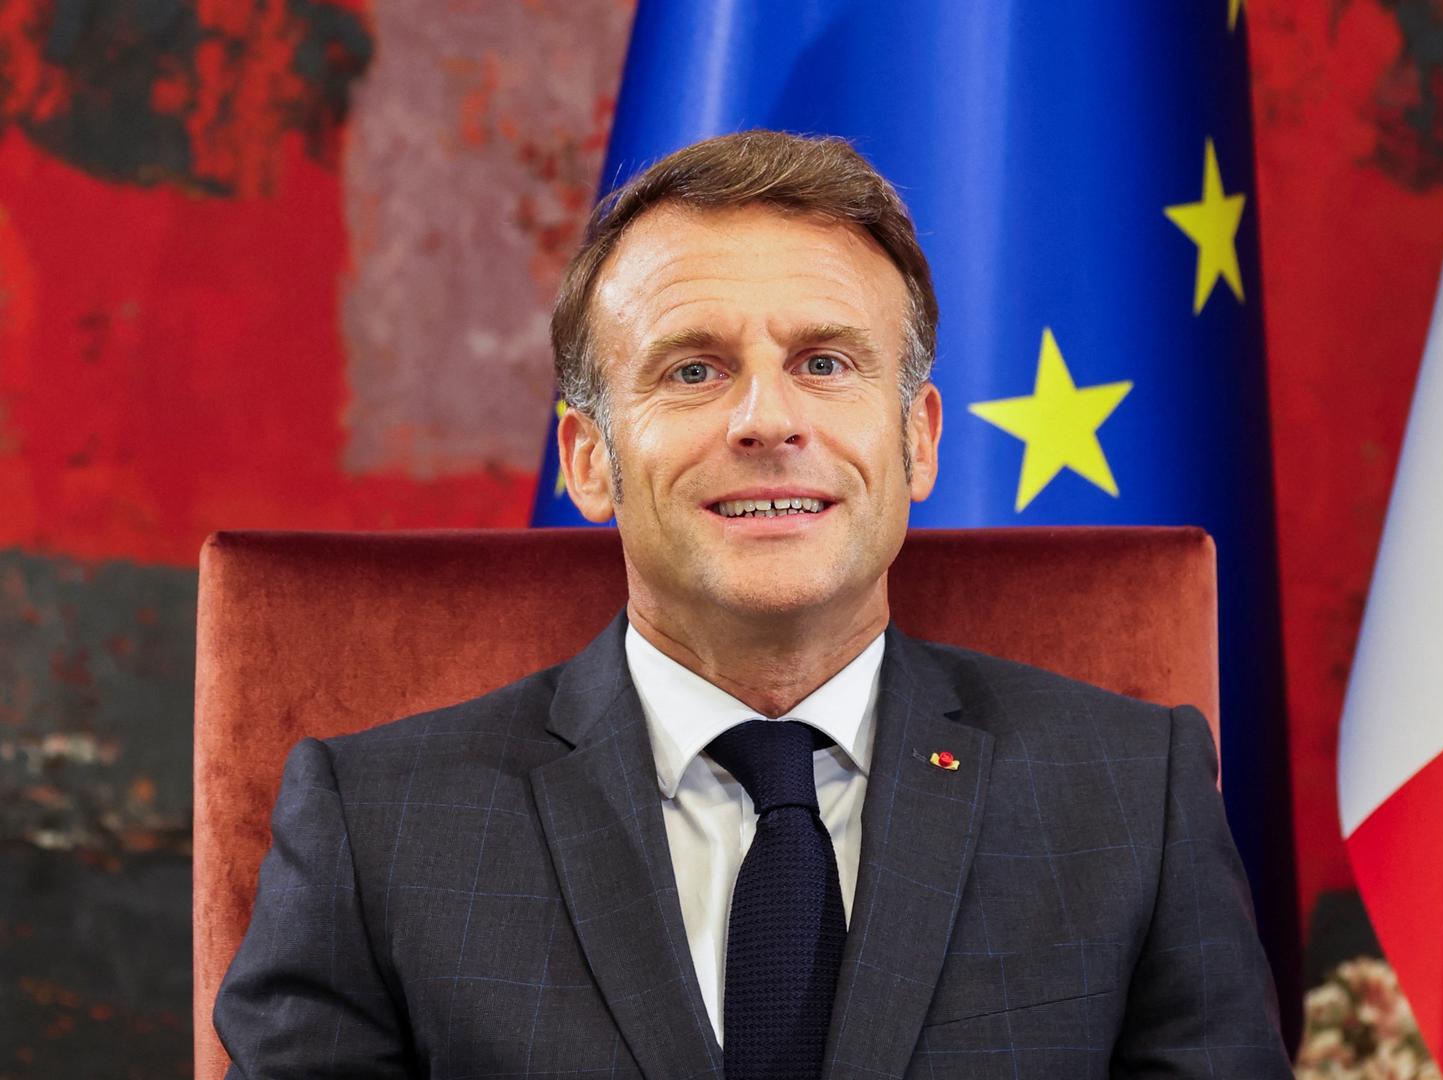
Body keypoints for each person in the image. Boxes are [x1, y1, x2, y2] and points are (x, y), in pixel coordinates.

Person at [214, 131, 1292, 1079]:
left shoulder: (1130, 800)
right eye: (692, 371)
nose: (765, 419)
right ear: (588, 459)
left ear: (916, 440)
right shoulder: (376, 830)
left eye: (823, 362)